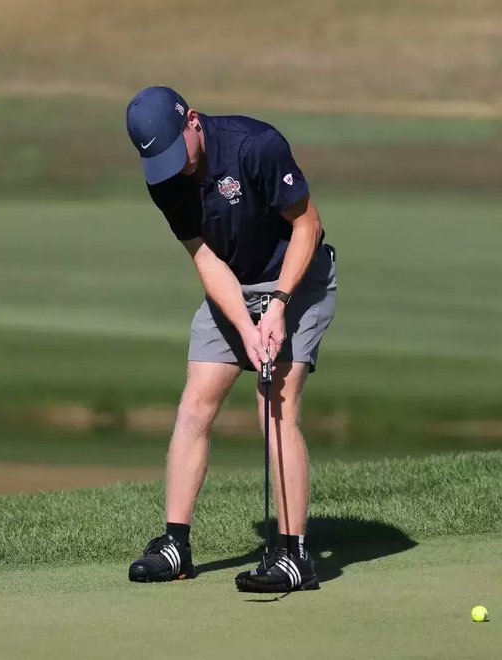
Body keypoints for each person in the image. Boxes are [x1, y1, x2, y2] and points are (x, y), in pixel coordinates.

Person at [123, 86, 337, 593]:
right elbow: (204, 257)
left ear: (192, 121)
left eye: (179, 153)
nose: (174, 168)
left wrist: (278, 306)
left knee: (274, 404)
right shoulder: (164, 179)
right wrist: (245, 324)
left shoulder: (254, 146)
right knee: (196, 404)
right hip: (234, 283)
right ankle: (176, 546)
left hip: (297, 279)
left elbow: (308, 226)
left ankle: (293, 556)